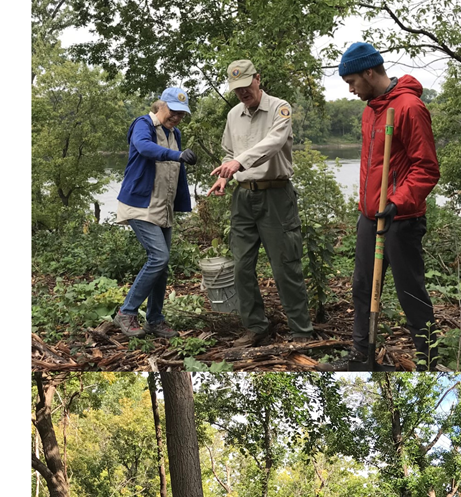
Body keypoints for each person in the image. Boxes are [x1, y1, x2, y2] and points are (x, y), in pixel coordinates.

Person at [339, 41, 441, 369]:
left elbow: (426, 168)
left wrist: (397, 202)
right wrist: (366, 208)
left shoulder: (409, 107)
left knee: (410, 292)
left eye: (353, 81)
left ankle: (428, 360)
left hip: (402, 218)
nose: (352, 89)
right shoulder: (372, 110)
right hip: (370, 217)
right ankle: (361, 356)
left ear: (370, 72)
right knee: (362, 286)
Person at [206, 59, 313, 346]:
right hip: (243, 197)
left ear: (257, 79)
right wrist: (225, 175)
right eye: (236, 89)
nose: (242, 92)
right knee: (241, 265)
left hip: (276, 195)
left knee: (285, 265)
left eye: (246, 85)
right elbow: (229, 151)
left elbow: (273, 143)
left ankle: (301, 331)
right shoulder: (233, 115)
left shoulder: (279, 108)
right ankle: (256, 326)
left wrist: (239, 162)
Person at [114, 88, 197, 339]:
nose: (177, 117)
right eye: (173, 111)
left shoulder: (175, 133)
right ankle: (126, 312)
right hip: (141, 205)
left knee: (162, 265)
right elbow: (145, 148)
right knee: (158, 257)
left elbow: (174, 172)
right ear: (160, 106)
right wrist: (177, 155)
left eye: (182, 114)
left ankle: (155, 319)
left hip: (163, 206)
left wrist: (181, 201)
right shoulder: (143, 124)